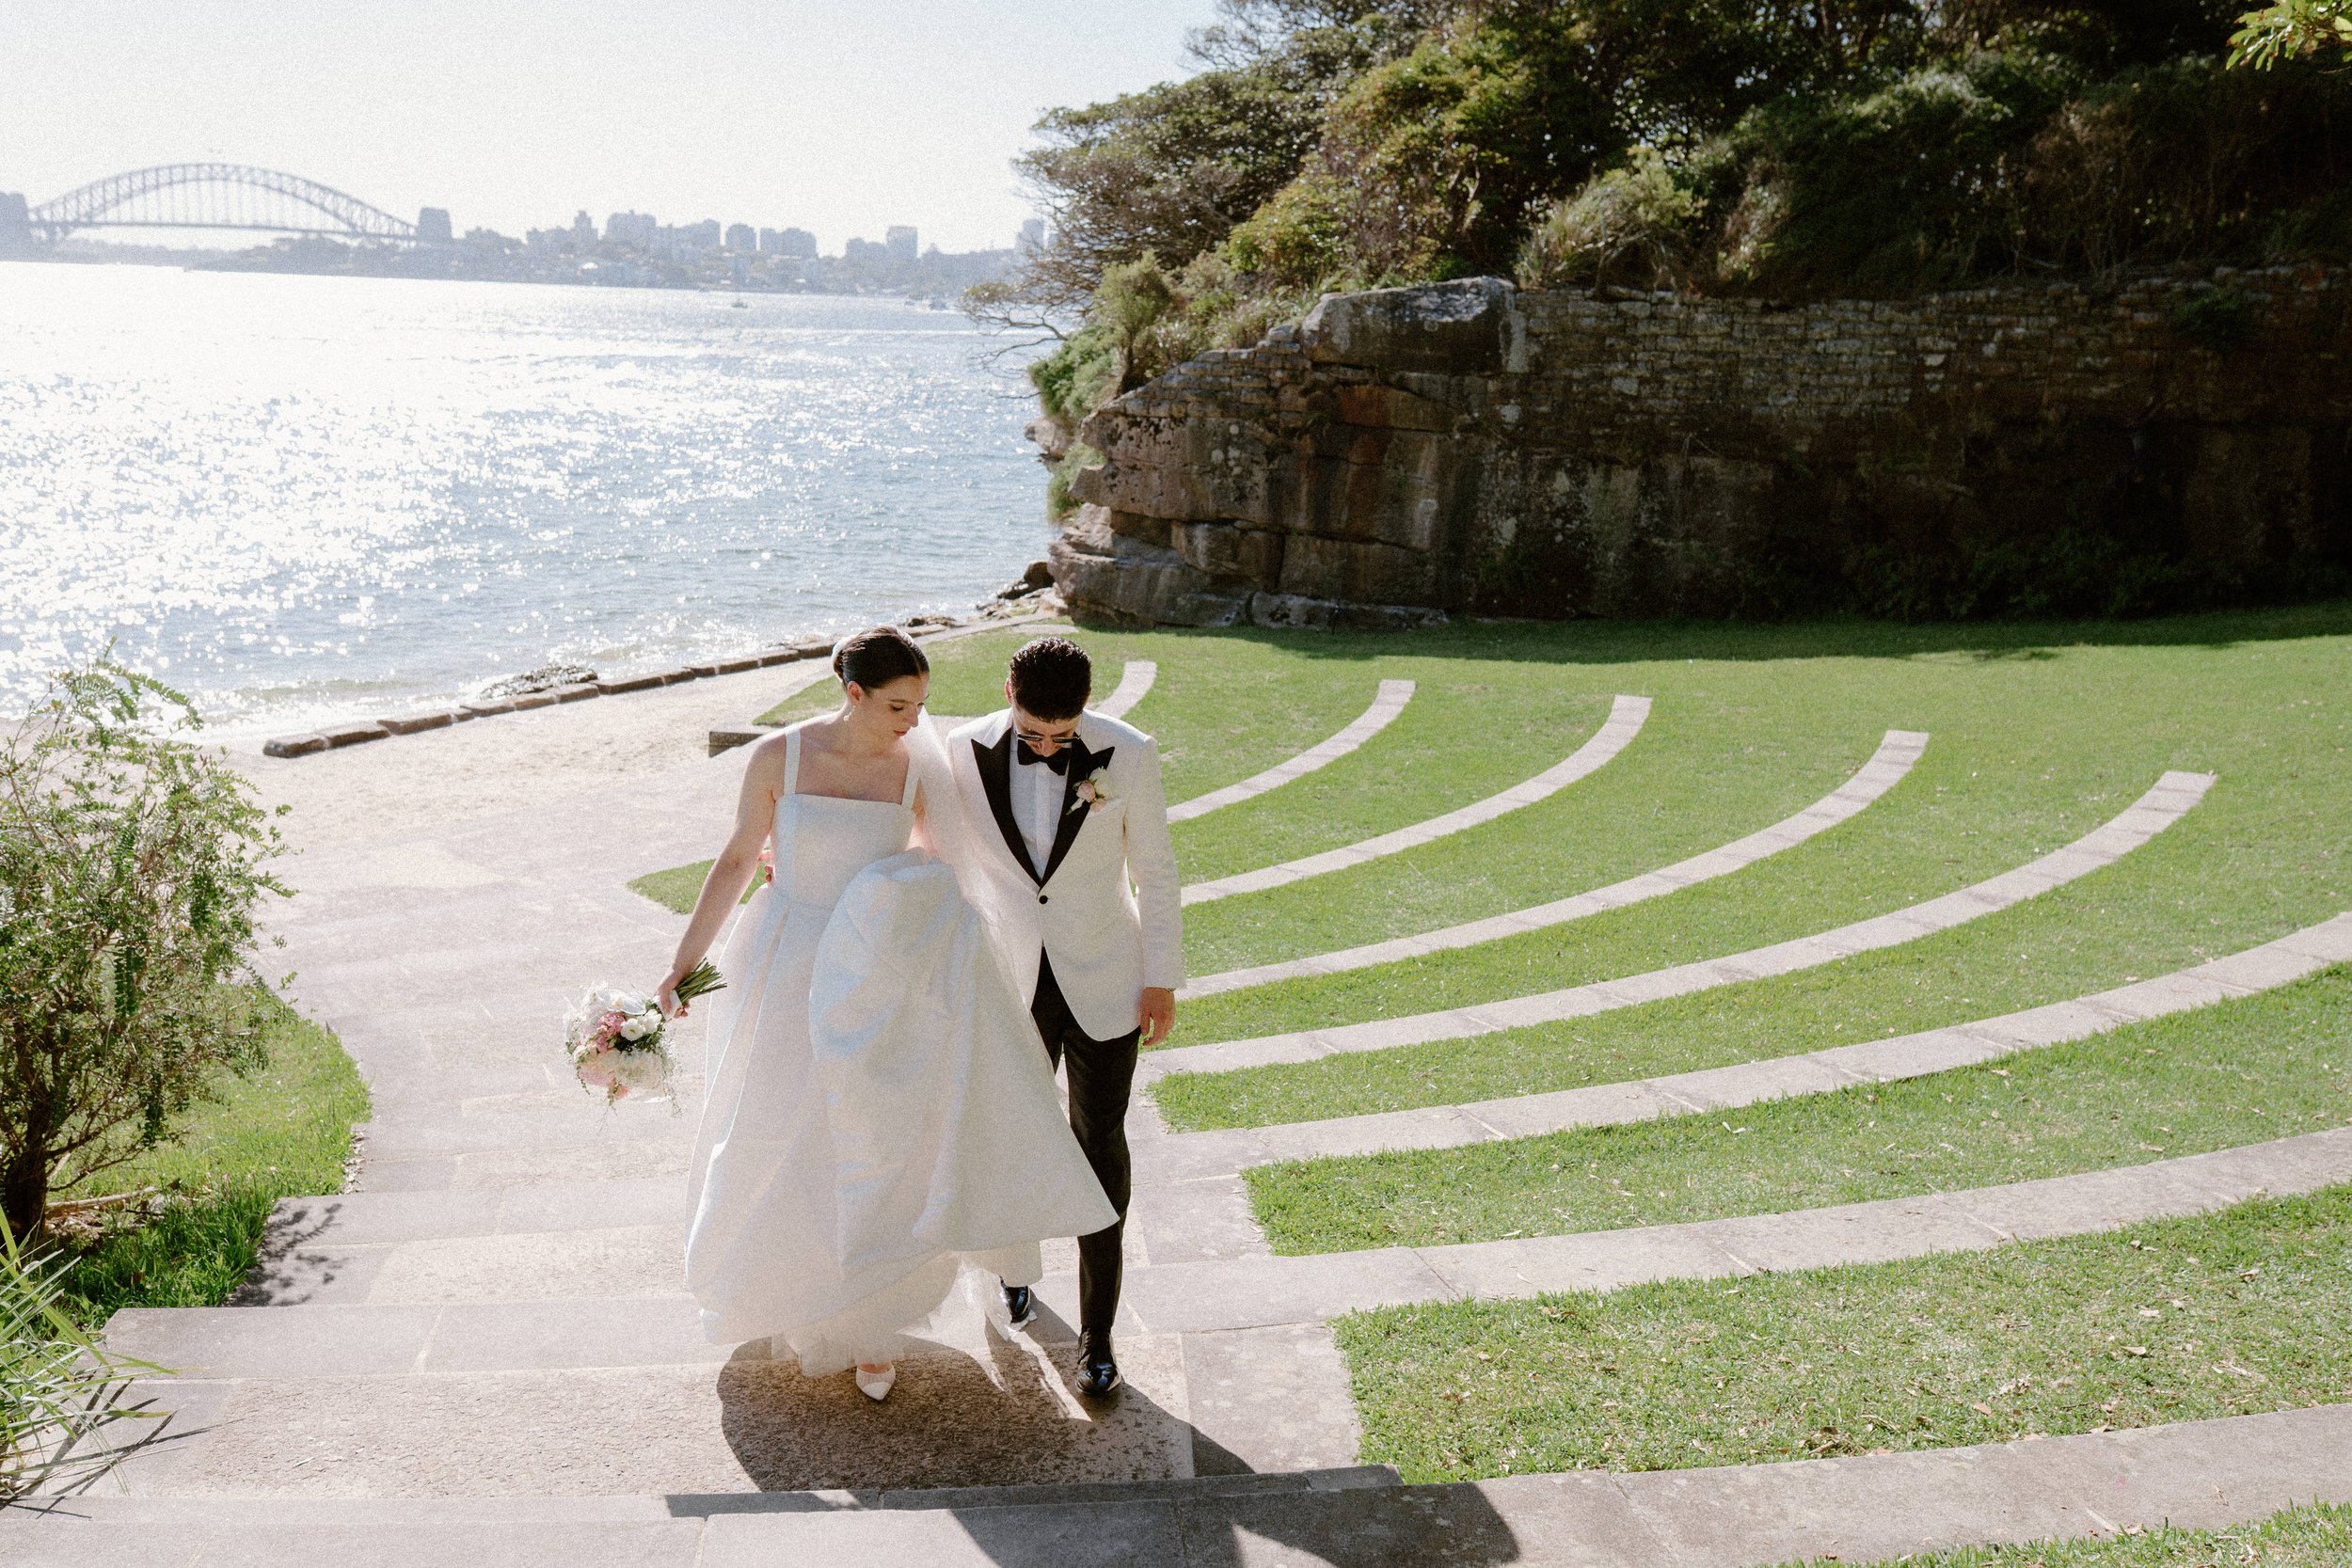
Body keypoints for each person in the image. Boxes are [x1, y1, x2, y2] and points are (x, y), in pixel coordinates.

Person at [659, 626, 1115, 1403]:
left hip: (872, 975)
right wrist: (681, 963)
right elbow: (738, 858)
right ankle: (787, 1293)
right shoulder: (781, 756)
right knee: (776, 1126)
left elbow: (950, 869)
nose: (915, 721)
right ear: (854, 692)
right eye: (900, 704)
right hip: (787, 958)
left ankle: (868, 1329)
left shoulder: (914, 770)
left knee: (868, 1138)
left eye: (923, 704)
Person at [930, 636, 1183, 1400]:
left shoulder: (1130, 752)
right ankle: (1013, 1269)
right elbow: (934, 847)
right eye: (1033, 732)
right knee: (1010, 1132)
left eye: (1062, 737)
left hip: (1106, 977)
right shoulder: (961, 749)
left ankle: (1099, 1336)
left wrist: (1162, 979)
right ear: (1008, 688)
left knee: (1098, 1141)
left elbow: (1159, 868)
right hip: (1008, 975)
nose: (1047, 745)